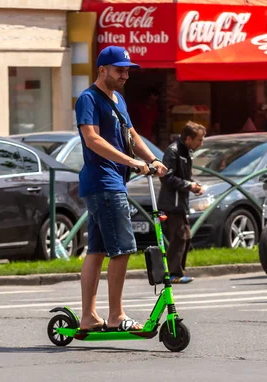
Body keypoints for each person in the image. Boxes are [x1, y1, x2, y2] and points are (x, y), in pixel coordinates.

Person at [75, 45, 167, 332]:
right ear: (102, 70)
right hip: (103, 182)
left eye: (127, 70)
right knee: (123, 249)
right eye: (119, 70)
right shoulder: (89, 99)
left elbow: (131, 134)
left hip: (111, 181)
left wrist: (151, 158)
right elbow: (92, 139)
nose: (125, 75)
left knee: (98, 250)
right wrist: (131, 162)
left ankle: (89, 317)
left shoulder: (119, 101)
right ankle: (116, 315)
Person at [158, 121, 206, 284]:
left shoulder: (186, 152)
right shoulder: (173, 151)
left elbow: (184, 176)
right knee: (179, 237)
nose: (201, 143)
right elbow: (167, 177)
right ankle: (173, 273)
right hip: (172, 203)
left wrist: (194, 184)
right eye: (199, 140)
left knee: (185, 237)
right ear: (188, 138)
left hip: (181, 202)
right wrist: (188, 185)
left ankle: (178, 271)